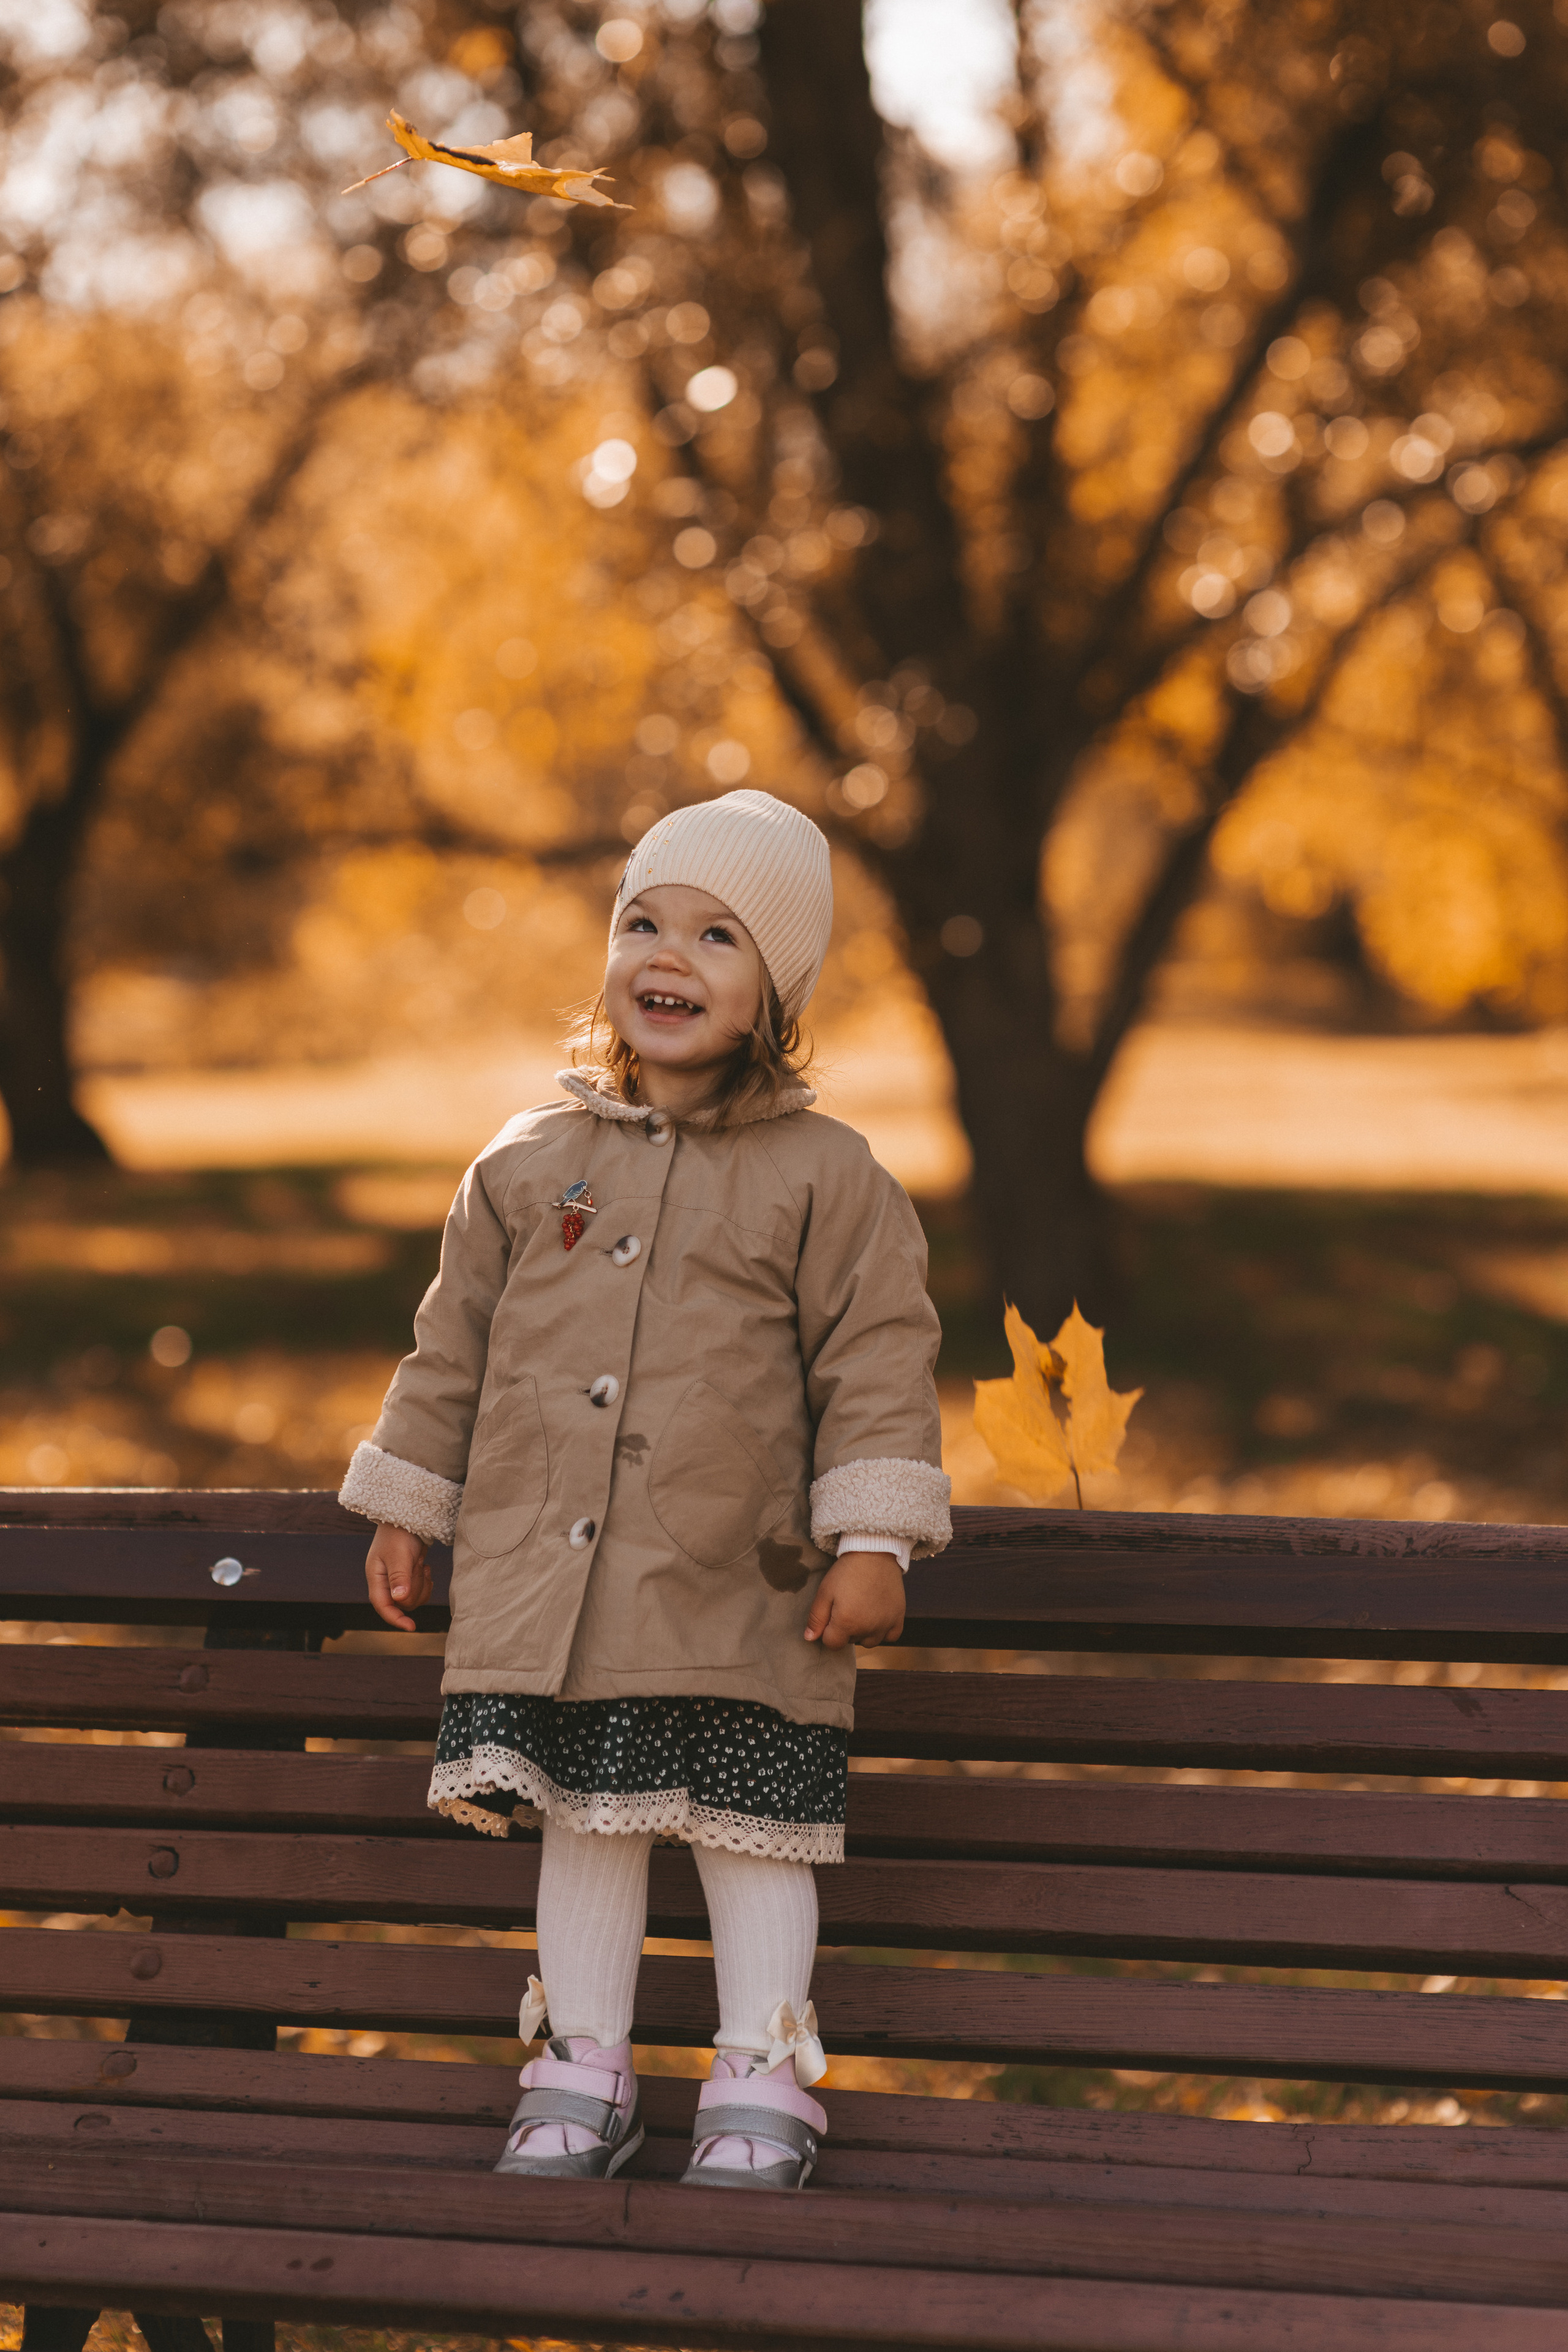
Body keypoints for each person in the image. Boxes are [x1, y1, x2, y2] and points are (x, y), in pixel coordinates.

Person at [339, 788, 950, 2190]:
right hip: (555, 1590)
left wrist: (875, 1538)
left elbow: (876, 1359)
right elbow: (454, 1346)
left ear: (775, 992)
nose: (666, 954)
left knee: (748, 1838)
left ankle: (761, 2066)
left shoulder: (825, 1178)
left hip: (742, 1592)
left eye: (717, 935)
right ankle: (580, 2066)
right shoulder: (526, 1164)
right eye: (642, 922)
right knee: (585, 1831)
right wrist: (408, 1501)